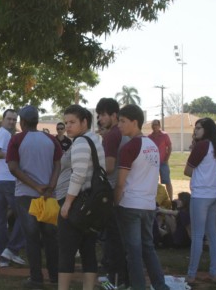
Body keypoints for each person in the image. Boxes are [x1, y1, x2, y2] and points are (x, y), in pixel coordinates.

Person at [7, 105, 62, 289]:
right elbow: (57, 164)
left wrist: (36, 186)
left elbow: (13, 168)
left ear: (22, 122)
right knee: (50, 237)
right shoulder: (50, 139)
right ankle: (55, 276)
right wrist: (50, 186)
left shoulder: (17, 140)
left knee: (31, 237)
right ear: (37, 121)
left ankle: (36, 278)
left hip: (26, 195)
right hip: (48, 195)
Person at [114, 104, 168, 290]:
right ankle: (160, 285)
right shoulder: (151, 146)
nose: (119, 125)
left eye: (122, 121)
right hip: (147, 205)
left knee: (134, 252)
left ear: (134, 122)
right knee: (148, 248)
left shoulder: (130, 147)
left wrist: (116, 201)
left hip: (130, 205)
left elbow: (120, 182)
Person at [57, 105, 104, 290]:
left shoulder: (81, 143)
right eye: (66, 122)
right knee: (88, 250)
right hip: (90, 204)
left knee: (67, 251)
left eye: (72, 122)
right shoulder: (94, 140)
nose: (68, 126)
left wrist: (67, 203)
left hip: (77, 203)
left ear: (84, 122)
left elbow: (78, 175)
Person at [184, 118, 216, 284]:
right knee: (212, 235)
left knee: (197, 236)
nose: (196, 131)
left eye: (199, 128)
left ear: (207, 130)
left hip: (201, 194)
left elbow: (188, 170)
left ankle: (191, 274)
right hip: (213, 193)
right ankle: (214, 272)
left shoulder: (202, 146)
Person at [0, 109, 26, 268]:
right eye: (9, 119)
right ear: (2, 119)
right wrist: (12, 155)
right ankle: (11, 250)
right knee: (24, 214)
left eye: (13, 120)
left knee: (0, 221)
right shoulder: (4, 135)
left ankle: (3, 257)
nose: (11, 122)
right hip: (8, 181)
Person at [96, 97, 128, 288]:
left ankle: (115, 275)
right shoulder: (120, 133)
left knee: (113, 237)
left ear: (113, 115)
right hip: (122, 190)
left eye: (102, 115)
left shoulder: (112, 136)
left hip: (112, 189)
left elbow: (108, 167)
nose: (100, 119)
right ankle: (118, 275)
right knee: (117, 237)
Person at [149, 119, 173, 202]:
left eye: (156, 124)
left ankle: (171, 200)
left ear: (159, 126)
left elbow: (169, 147)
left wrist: (167, 158)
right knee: (153, 182)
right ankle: (155, 200)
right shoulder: (149, 137)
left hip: (163, 162)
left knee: (167, 181)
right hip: (153, 164)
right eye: (153, 125)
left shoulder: (164, 135)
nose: (154, 126)